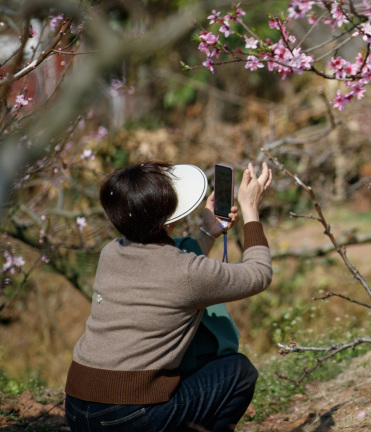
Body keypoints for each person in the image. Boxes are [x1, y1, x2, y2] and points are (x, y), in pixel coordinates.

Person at [63, 161, 274, 431]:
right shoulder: (185, 272)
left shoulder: (111, 252)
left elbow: (170, 274)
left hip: (78, 407)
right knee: (239, 372)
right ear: (168, 216)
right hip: (129, 416)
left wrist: (208, 232)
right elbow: (259, 274)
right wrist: (251, 210)